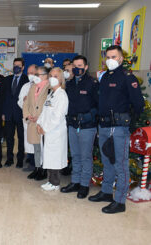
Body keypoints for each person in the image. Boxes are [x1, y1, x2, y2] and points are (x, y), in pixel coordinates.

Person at [89, 45, 144, 214]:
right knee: (107, 162)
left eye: (113, 57)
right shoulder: (105, 77)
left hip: (119, 127)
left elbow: (139, 104)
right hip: (104, 125)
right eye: (107, 57)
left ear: (120, 59)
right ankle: (106, 192)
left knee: (120, 164)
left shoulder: (128, 77)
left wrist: (128, 122)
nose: (110, 60)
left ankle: (120, 201)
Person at [61, 55, 99, 199]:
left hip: (87, 126)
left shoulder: (92, 83)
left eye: (80, 66)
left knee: (85, 157)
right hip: (72, 125)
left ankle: (84, 185)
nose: (77, 69)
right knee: (75, 156)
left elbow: (99, 105)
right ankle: (75, 182)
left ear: (86, 67)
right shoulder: (70, 84)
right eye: (75, 67)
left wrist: (89, 116)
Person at [37, 67, 69, 191]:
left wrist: (45, 128)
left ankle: (55, 183)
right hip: (46, 131)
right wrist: (39, 124)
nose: (52, 78)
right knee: (48, 157)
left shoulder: (62, 95)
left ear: (61, 79)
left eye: (55, 76)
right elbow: (44, 112)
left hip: (54, 132)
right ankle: (50, 181)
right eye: (50, 75)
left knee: (55, 158)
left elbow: (58, 116)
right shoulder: (51, 94)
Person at [23, 66, 51, 180]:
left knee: (44, 147)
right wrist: (28, 115)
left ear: (45, 76)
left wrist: (38, 117)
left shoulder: (49, 88)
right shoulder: (33, 86)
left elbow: (48, 106)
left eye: (38, 75)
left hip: (42, 122)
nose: (36, 77)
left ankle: (44, 169)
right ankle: (37, 168)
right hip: (32, 121)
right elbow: (27, 103)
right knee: (36, 147)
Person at [2, 58, 29, 168]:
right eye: (14, 65)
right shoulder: (7, 79)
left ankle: (20, 159)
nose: (16, 67)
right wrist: (3, 113)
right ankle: (9, 158)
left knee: (21, 137)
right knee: (9, 137)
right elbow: (3, 97)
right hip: (8, 113)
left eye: (18, 65)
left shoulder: (27, 80)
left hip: (21, 114)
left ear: (23, 67)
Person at [18, 64, 37, 171]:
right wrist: (24, 101)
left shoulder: (41, 86)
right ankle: (30, 162)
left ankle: (36, 165)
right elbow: (19, 101)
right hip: (27, 118)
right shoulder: (25, 86)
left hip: (36, 119)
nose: (30, 75)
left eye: (33, 73)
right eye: (29, 73)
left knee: (36, 143)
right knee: (28, 142)